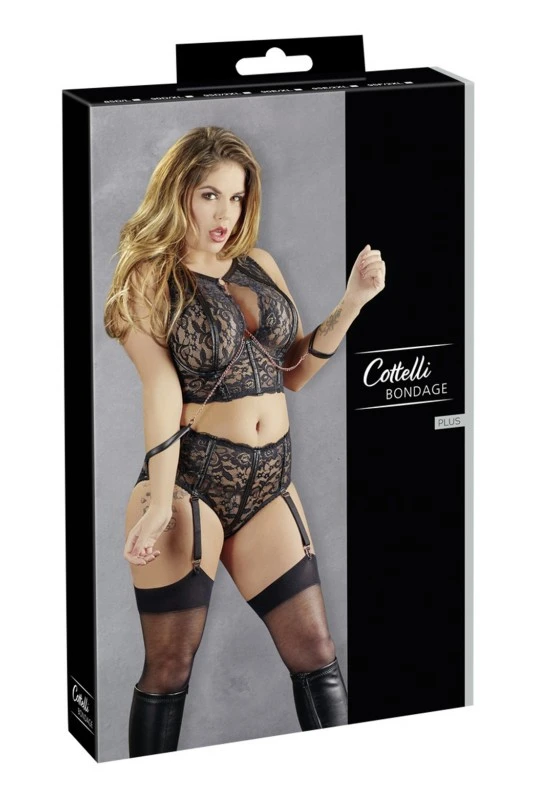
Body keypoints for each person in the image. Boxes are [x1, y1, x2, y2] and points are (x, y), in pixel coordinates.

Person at [104, 125, 386, 758]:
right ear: (179, 192)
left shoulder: (259, 264)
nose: (225, 214)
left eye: (235, 197)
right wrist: (158, 502)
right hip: (190, 484)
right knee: (169, 667)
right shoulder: (150, 277)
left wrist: (352, 302)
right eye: (209, 195)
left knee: (316, 652)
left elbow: (294, 371)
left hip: (269, 483)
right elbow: (161, 390)